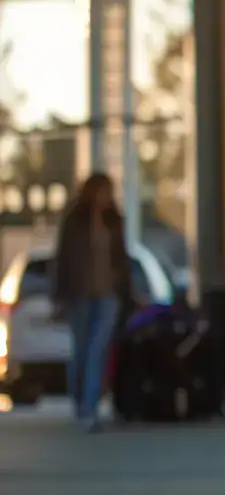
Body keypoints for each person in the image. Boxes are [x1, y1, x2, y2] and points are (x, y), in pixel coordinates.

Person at [51, 173, 131, 433]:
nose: (106, 197)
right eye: (102, 191)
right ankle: (79, 400)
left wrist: (126, 289)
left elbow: (122, 257)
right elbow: (62, 258)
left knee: (98, 350)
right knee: (82, 351)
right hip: (79, 294)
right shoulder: (75, 220)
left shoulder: (114, 221)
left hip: (108, 294)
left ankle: (90, 409)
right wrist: (59, 295)